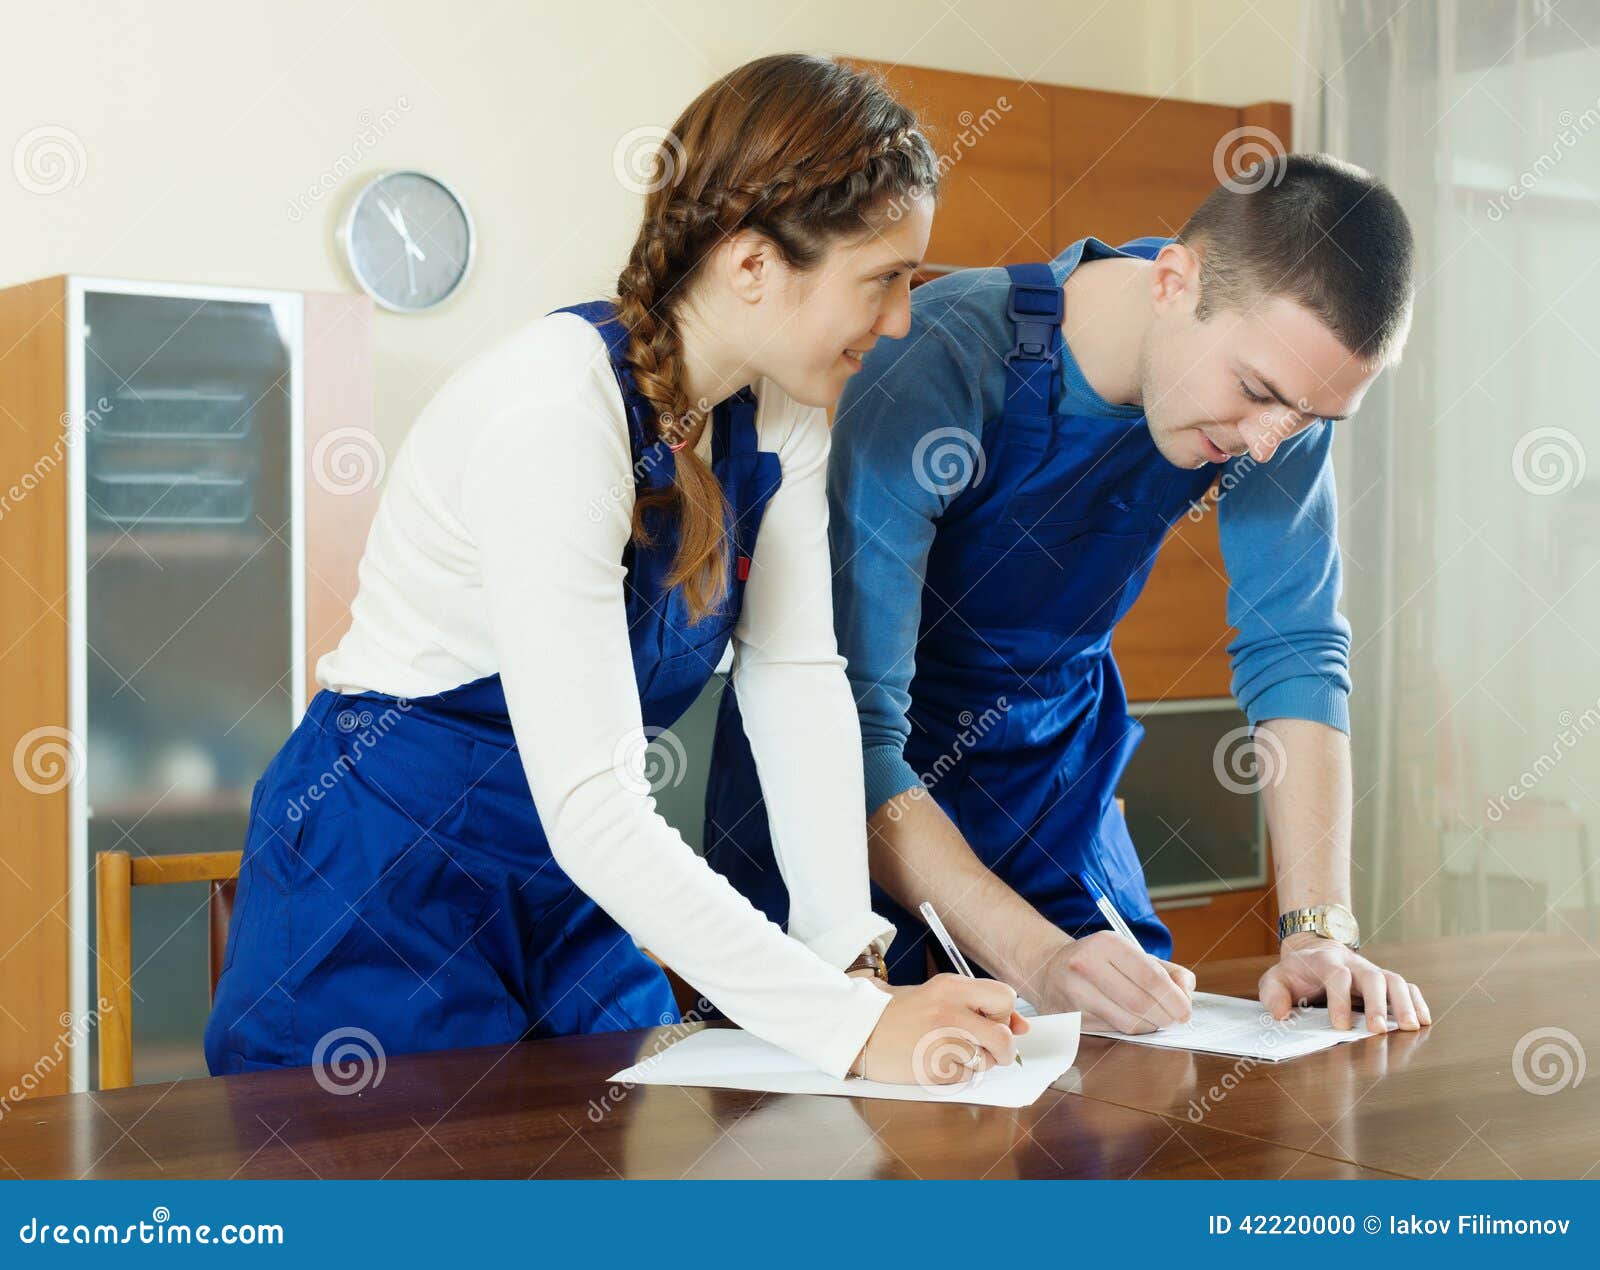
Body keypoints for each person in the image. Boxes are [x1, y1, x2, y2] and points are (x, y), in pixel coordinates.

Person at [205, 53, 1026, 1085]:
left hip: (565, 884)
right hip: (387, 874)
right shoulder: (556, 413)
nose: (902, 319)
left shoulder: (779, 414)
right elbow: (596, 803)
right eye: (884, 280)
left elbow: (793, 676)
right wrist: (851, 1029)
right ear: (752, 264)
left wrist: (846, 960)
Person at [707, 153, 1432, 1037]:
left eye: (1312, 419)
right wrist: (1034, 956)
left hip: (1049, 778)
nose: (1270, 443)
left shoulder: (1283, 404)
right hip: (847, 784)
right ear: (1175, 279)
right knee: (840, 1114)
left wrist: (1316, 930)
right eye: (1256, 395)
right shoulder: (937, 362)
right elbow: (852, 723)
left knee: (1127, 1079)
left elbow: (1296, 649)